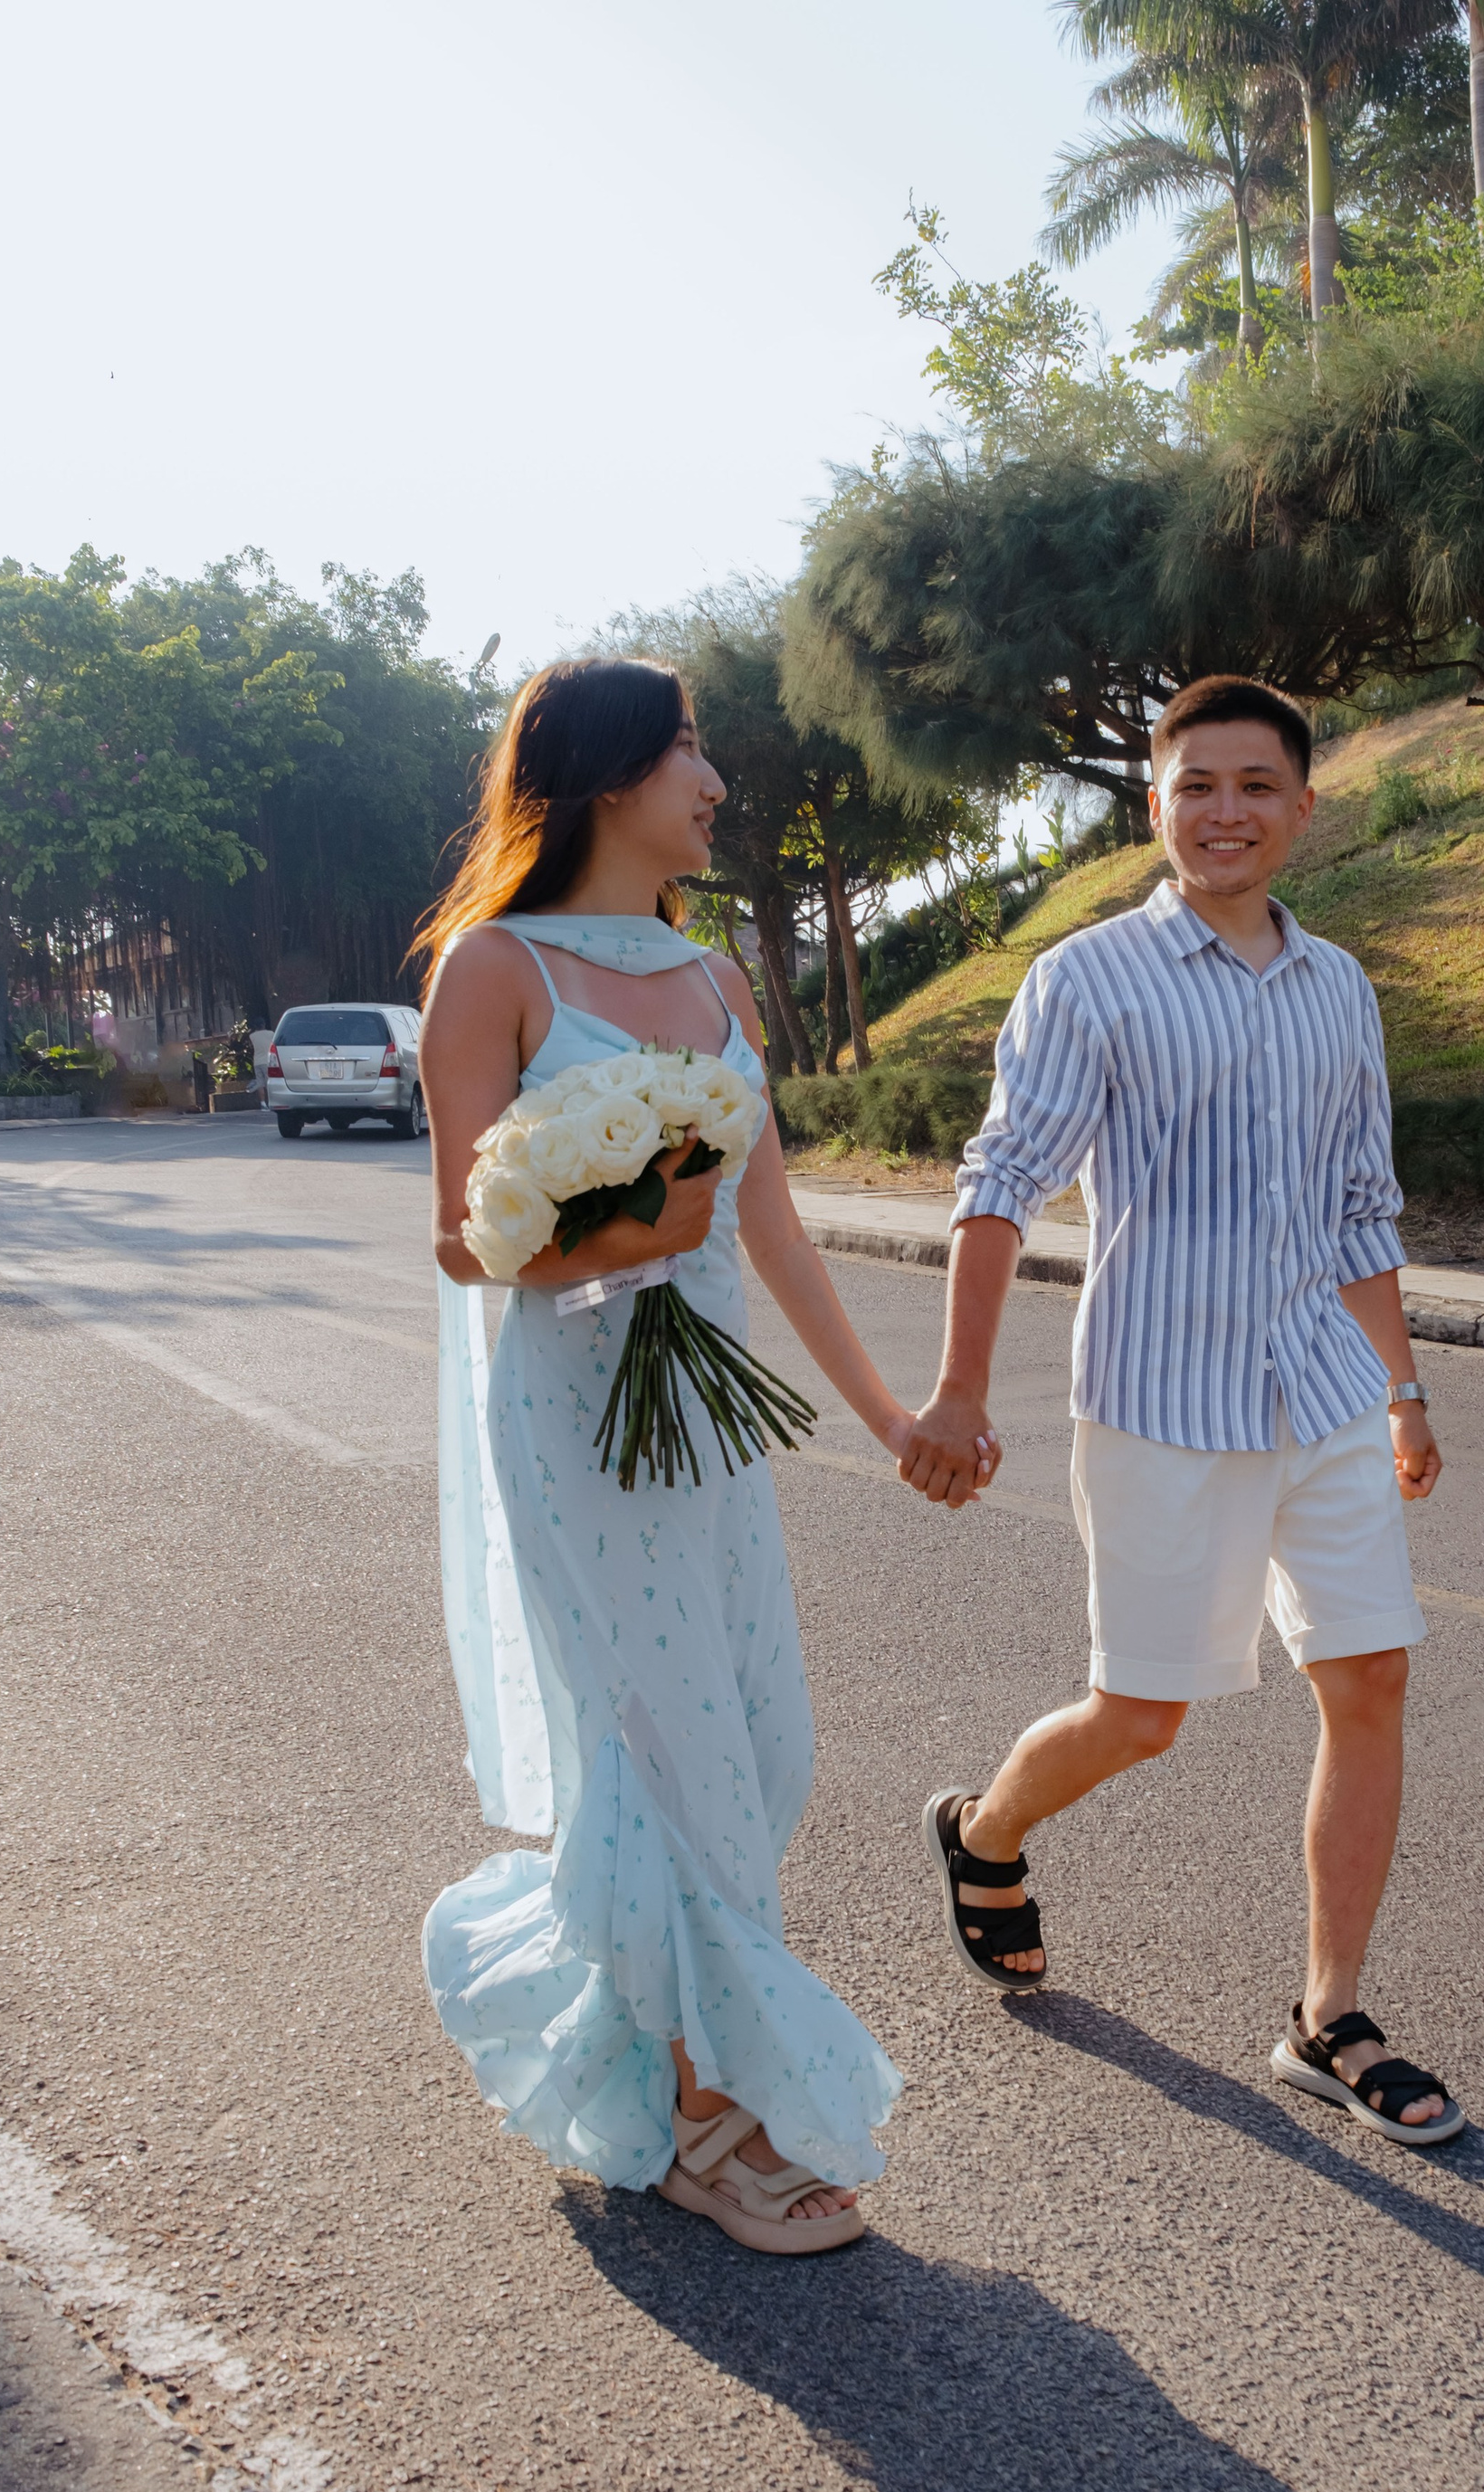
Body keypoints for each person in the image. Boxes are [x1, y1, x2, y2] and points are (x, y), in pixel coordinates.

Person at [417, 658, 980, 2254]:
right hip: (574, 1421)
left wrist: (891, 1419)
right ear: (608, 776)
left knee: (761, 1742)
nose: (716, 780)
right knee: (670, 1759)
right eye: (687, 750)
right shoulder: (493, 968)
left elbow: (776, 1228)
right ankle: (706, 2119)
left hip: (706, 1421)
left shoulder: (717, 976)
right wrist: (621, 1228)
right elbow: (461, 1238)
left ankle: (649, 2039)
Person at [905, 673, 1463, 2145]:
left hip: (1323, 1390)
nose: (1227, 812)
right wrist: (959, 1387)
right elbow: (1002, 1182)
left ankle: (1330, 2015)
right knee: (1143, 1716)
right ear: (1155, 806)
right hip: (1163, 1398)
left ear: (1303, 808)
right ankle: (987, 1830)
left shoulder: (1339, 987)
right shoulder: (1088, 979)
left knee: (1372, 1677)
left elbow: (1360, 1210)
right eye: (1197, 785)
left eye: (1256, 785)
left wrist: (1402, 1388)